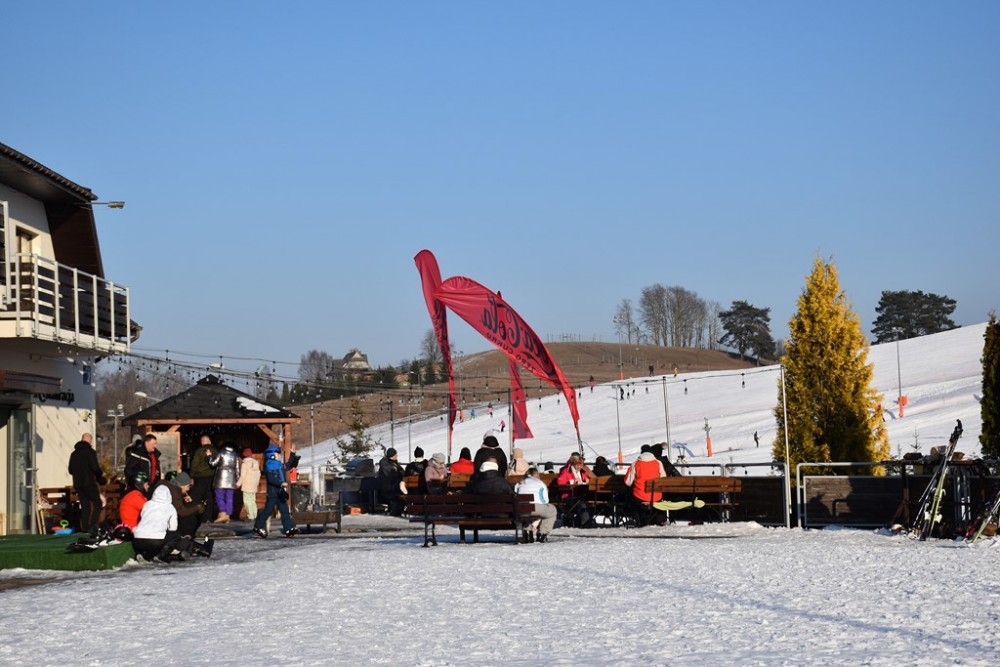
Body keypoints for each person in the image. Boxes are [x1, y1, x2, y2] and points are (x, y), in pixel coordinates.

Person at [133, 485, 214, 562]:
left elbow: (142, 517)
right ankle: (162, 555)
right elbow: (173, 528)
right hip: (156, 540)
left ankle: (144, 555)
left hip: (137, 539)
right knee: (175, 535)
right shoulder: (170, 507)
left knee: (151, 540)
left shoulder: (147, 504)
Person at [253, 444, 300, 538]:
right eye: (278, 454)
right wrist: (280, 483)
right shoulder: (269, 466)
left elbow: (290, 465)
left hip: (280, 493)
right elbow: (271, 479)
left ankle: (288, 529)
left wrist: (292, 454)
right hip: (273, 493)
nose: (280, 456)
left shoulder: (280, 466)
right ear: (272, 456)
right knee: (268, 511)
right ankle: (258, 527)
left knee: (285, 511)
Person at [68, 433, 106, 533]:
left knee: (85, 506)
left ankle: (85, 528)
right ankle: (93, 525)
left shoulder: (74, 454)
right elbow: (95, 468)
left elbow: (70, 470)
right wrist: (100, 476)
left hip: (78, 484)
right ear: (90, 441)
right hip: (89, 482)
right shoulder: (90, 452)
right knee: (97, 503)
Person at [624, 444, 668, 526]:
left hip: (639, 497)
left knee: (630, 498)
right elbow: (664, 478)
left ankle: (636, 519)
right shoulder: (658, 463)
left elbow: (628, 482)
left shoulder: (636, 464)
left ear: (641, 452)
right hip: (657, 497)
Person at [514, 467, 557, 543]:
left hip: (521, 509)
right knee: (552, 510)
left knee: (527, 512)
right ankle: (542, 533)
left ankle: (527, 532)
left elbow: (515, 496)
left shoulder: (520, 483)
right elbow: (545, 501)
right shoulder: (540, 483)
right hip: (536, 508)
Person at [556, 454, 593, 528]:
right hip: (568, 496)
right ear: (574, 464)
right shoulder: (566, 472)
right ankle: (585, 524)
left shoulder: (582, 472)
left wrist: (587, 480)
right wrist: (571, 483)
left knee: (588, 502)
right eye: (579, 464)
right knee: (582, 503)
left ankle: (585, 521)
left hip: (580, 495)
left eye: (582, 464)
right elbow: (560, 483)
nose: (581, 466)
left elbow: (586, 480)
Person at [163, 471, 205, 536]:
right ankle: (186, 535)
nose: (188, 489)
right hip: (164, 524)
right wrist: (197, 507)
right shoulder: (175, 492)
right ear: (182, 485)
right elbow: (182, 512)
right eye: (188, 486)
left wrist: (182, 498)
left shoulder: (172, 487)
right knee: (189, 518)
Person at [189, 435, 218, 527]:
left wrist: (191, 476)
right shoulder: (215, 451)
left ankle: (193, 516)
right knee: (209, 497)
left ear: (202, 442)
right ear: (209, 441)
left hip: (200, 477)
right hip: (211, 477)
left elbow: (195, 464)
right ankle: (208, 518)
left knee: (196, 497)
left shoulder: (199, 451)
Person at [211, 443, 240, 523]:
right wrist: (237, 480)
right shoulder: (235, 455)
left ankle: (222, 512)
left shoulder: (221, 453)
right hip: (231, 479)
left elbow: (213, 463)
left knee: (219, 496)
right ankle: (228, 515)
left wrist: (210, 457)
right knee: (229, 498)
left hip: (220, 477)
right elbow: (237, 469)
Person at [377, 448, 405, 517]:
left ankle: (398, 509)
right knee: (397, 491)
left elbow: (401, 471)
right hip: (387, 486)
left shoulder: (394, 463)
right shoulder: (385, 463)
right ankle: (395, 509)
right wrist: (399, 474)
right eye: (395, 455)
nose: (397, 456)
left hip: (393, 484)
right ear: (391, 456)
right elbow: (391, 474)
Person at [236, 448, 261, 521]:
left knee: (247, 501)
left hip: (247, 485)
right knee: (252, 501)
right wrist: (256, 483)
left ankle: (251, 516)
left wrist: (238, 484)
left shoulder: (244, 464)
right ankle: (255, 515)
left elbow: (243, 475)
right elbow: (259, 474)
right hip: (254, 485)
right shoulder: (256, 463)